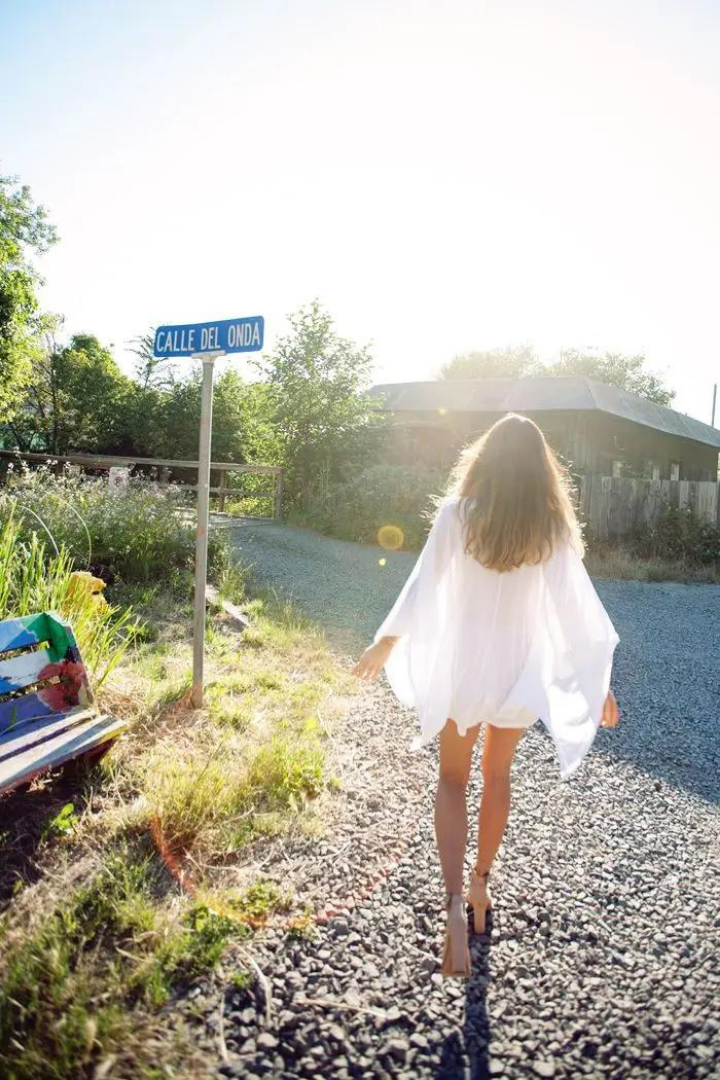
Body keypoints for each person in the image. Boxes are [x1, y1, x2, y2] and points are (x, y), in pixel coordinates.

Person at [353, 414, 619, 977]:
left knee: (452, 780)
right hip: (519, 675)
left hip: (464, 673)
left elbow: (423, 583)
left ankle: (451, 907)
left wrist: (386, 641)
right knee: (498, 778)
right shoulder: (551, 528)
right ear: (541, 469)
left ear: (486, 459)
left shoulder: (457, 515)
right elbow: (577, 613)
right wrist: (599, 685)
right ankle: (479, 887)